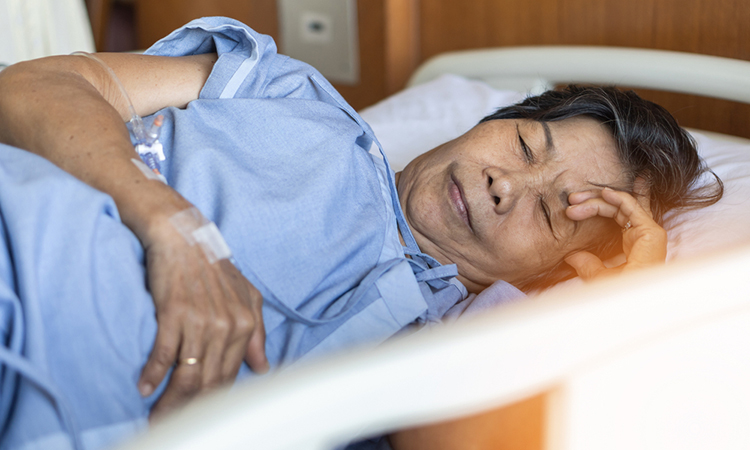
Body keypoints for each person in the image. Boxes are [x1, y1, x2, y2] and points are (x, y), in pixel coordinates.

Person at [0, 17, 720, 450]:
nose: (509, 185)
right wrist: (171, 224)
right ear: (493, 119)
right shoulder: (286, 94)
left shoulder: (450, 346)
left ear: (556, 273)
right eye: (528, 146)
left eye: (554, 213)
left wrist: (624, 310)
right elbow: (33, 88)